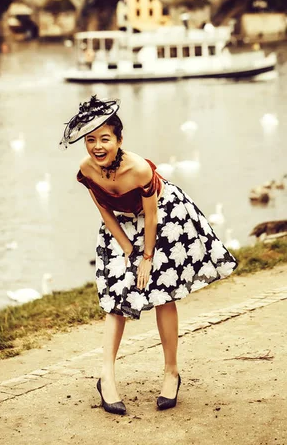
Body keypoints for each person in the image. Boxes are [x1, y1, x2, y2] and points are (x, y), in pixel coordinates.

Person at [60, 95, 238, 416]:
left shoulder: (139, 169)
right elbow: (105, 212)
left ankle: (172, 372)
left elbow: (152, 216)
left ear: (119, 140)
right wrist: (127, 250)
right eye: (90, 140)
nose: (97, 146)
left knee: (161, 293)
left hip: (162, 217)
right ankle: (107, 378)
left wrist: (146, 256)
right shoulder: (86, 169)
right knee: (117, 298)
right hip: (121, 227)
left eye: (105, 139)